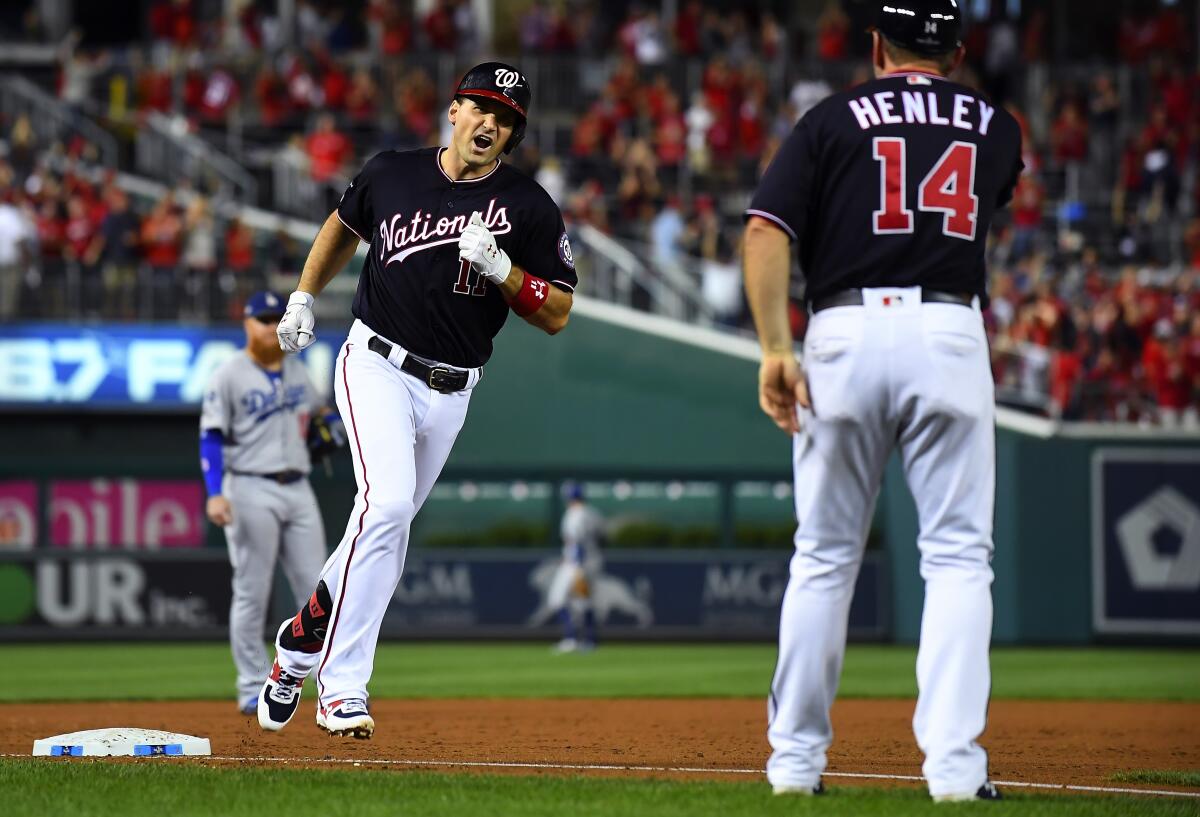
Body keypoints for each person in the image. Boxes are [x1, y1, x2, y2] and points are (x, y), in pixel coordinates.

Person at [741, 0, 1021, 803]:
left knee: (824, 558)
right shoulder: (996, 125)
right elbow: (984, 198)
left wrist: (774, 347)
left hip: (843, 332)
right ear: (959, 52)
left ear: (875, 46)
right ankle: (955, 772)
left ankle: (795, 766)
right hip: (948, 330)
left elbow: (766, 232)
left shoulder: (830, 118)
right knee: (961, 558)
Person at [257, 61, 577, 739]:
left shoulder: (526, 207)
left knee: (383, 527)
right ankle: (341, 689)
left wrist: (505, 271)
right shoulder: (392, 172)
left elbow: (558, 312)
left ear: (514, 134)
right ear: (454, 111)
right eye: (481, 107)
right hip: (376, 362)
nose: (491, 122)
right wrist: (305, 293)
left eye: (507, 118)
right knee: (390, 505)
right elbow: (343, 226)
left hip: (454, 388)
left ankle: (296, 646)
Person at [199, 291, 333, 714]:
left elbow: (321, 413)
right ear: (246, 324)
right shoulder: (228, 374)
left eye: (276, 318)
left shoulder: (298, 371)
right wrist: (215, 491)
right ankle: (250, 684)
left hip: (299, 486)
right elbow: (211, 436)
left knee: (321, 589)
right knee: (252, 591)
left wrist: (328, 426)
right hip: (250, 486)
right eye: (262, 318)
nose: (269, 325)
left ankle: (325, 680)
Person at [548, 482, 605, 653]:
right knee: (583, 602)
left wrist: (578, 567)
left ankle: (571, 639)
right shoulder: (592, 513)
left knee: (557, 599)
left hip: (576, 564)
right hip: (591, 561)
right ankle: (590, 640)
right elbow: (603, 538)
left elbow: (577, 542)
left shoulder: (574, 514)